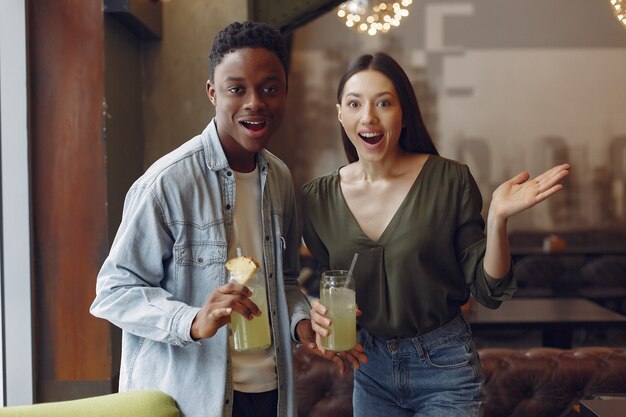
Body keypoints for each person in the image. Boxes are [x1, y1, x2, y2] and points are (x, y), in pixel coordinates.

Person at [302, 52, 570, 417]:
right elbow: (324, 280)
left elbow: (487, 289)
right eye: (355, 104)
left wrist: (497, 219)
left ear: (403, 112)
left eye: (383, 102)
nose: (369, 117)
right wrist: (316, 313)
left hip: (443, 366)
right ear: (340, 114)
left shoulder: (449, 180)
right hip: (370, 370)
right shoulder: (317, 198)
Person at [90, 21, 318, 417]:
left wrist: (302, 324)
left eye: (269, 88)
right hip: (189, 399)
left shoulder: (280, 178)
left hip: (273, 392)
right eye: (236, 89)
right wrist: (192, 319)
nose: (255, 103)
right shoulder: (167, 183)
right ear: (212, 93)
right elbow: (114, 291)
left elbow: (284, 279)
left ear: (285, 92)